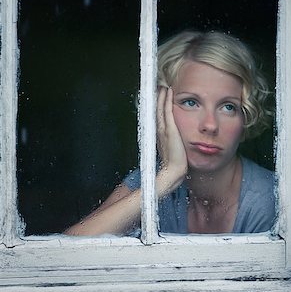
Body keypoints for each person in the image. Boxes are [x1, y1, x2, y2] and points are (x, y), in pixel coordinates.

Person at [65, 30, 275, 236]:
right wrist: (168, 177)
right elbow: (66, 254)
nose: (210, 125)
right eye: (191, 102)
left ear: (245, 117)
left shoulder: (271, 200)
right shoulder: (152, 179)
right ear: (159, 107)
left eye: (228, 107)